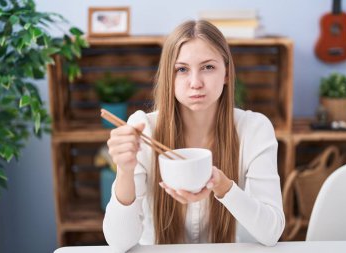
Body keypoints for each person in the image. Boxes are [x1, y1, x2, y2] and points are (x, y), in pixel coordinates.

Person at [103, 20, 285, 253]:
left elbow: (271, 233)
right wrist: (125, 171)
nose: (195, 83)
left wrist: (224, 187)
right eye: (182, 69)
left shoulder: (255, 129)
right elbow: (119, 243)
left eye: (208, 67)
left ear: (227, 73)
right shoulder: (143, 128)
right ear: (169, 76)